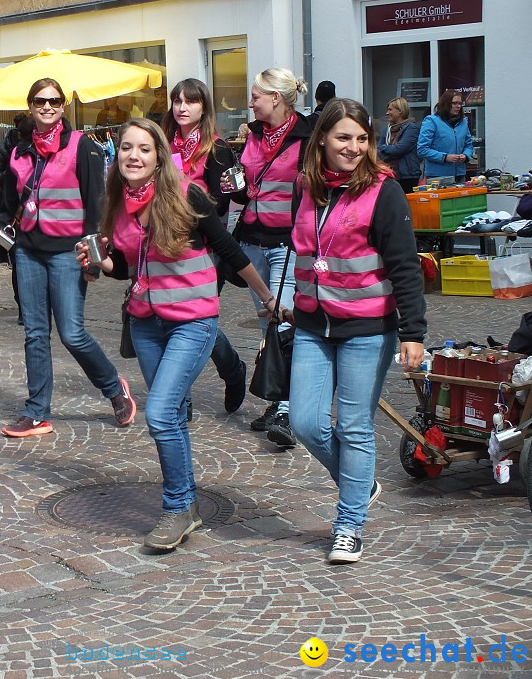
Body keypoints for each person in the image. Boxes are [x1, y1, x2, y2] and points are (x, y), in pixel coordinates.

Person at [79, 118, 276, 551]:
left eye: (144, 149)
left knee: (161, 412)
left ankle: (176, 508)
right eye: (127, 147)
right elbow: (131, 266)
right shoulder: (116, 204)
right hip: (147, 323)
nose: (134, 156)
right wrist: (101, 265)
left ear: (159, 156)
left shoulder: (186, 195)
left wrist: (267, 298)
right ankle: (184, 504)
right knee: (171, 417)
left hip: (193, 319)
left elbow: (228, 248)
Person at [286, 98, 425, 564]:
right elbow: (300, 248)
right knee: (304, 422)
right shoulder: (304, 186)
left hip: (368, 327)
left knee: (354, 426)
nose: (353, 147)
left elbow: (406, 266)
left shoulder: (383, 191)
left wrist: (413, 332)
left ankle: (348, 526)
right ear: (322, 138)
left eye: (362, 139)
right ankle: (361, 484)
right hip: (312, 323)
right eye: (343, 137)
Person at [0, 77, 136, 438]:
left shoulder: (82, 146)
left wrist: (95, 259)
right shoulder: (19, 152)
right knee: (35, 333)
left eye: (53, 101)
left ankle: (114, 389)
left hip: (68, 253)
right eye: (39, 101)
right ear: (30, 106)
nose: (47, 106)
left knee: (72, 333)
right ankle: (37, 412)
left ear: (62, 106)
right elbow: (7, 210)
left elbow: (96, 208)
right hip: (28, 253)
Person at [226, 67, 312, 447]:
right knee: (267, 324)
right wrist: (236, 188)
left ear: (276, 97)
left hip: (286, 242)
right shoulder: (254, 134)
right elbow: (248, 189)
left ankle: (289, 410)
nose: (250, 102)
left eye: (256, 95)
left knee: (283, 323)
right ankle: (279, 400)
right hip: (252, 242)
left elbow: (314, 192)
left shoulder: (308, 136)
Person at [161, 78, 247, 415]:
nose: (182, 108)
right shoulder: (164, 144)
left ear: (203, 107)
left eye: (190, 102)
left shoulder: (216, 148)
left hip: (206, 248)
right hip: (167, 245)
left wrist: (190, 208)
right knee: (175, 320)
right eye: (177, 101)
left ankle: (228, 371)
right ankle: (198, 386)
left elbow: (222, 205)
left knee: (196, 320)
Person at [0, 113, 34, 323]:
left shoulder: (37, 149)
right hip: (9, 210)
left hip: (32, 211)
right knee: (19, 259)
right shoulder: (3, 148)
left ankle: (35, 305)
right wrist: (15, 171)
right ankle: (24, 308)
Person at [417, 89, 474, 184]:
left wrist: (466, 155)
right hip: (437, 177)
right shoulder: (431, 121)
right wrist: (444, 157)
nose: (458, 106)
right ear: (446, 104)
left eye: (460, 103)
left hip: (459, 175)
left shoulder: (463, 122)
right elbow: (422, 149)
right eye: (454, 103)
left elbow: (468, 145)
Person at [376, 97, 421, 193]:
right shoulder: (388, 129)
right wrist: (388, 149)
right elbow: (377, 150)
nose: (387, 113)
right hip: (391, 174)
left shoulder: (411, 128)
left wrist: (385, 148)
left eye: (390, 109)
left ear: (400, 110)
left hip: (407, 176)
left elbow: (399, 149)